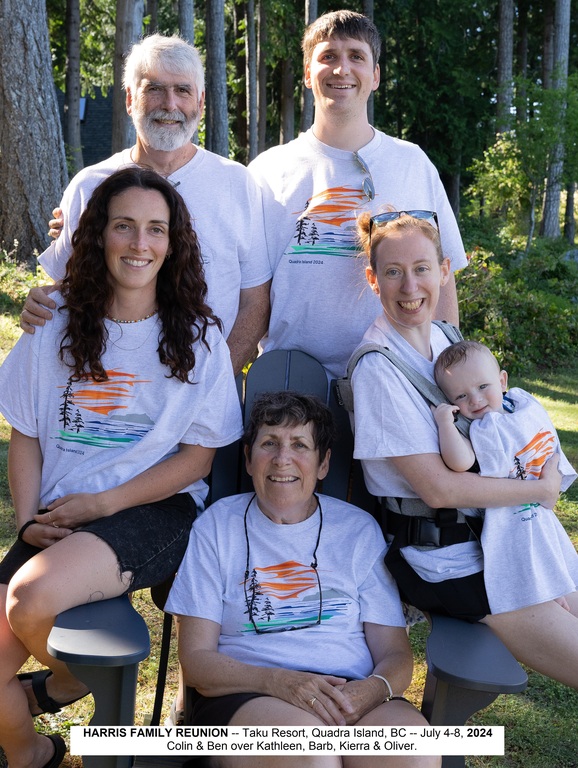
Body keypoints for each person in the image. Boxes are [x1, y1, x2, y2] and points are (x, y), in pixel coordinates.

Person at [0, 167, 244, 768]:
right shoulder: (50, 321)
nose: (140, 244)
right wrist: (28, 517)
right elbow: (25, 435)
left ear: (173, 242)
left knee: (29, 599)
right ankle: (32, 753)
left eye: (156, 229)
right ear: (98, 235)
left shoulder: (198, 338)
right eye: (124, 226)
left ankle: (66, 686)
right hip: (58, 510)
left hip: (151, 509)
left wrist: (104, 504)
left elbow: (198, 460)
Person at [349, 209, 578, 691]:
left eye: (421, 268)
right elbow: (437, 489)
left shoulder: (445, 340)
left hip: (502, 538)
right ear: (373, 280)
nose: (410, 287)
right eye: (393, 272)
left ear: (444, 270)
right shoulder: (377, 368)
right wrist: (540, 488)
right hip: (447, 557)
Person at [165, 391, 440, 768]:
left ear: (323, 463)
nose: (283, 459)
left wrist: (373, 689)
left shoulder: (357, 531)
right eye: (269, 443)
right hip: (249, 693)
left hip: (348, 693)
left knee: (416, 754)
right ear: (248, 459)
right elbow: (196, 662)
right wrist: (281, 682)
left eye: (300, 445)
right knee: (311, 754)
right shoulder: (217, 527)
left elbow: (395, 654)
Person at [21, 33, 271, 376]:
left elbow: (256, 303)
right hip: (107, 386)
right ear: (129, 99)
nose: (169, 104)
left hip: (206, 400)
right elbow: (67, 292)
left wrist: (214, 383)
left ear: (200, 102)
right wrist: (39, 302)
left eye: (182, 90)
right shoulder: (91, 185)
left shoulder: (238, 183)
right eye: (153, 89)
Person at [248, 10, 467, 379]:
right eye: (328, 56)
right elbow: (252, 294)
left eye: (356, 56)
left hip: (398, 376)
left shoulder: (412, 162)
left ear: (375, 76)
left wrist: (449, 372)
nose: (341, 69)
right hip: (293, 384)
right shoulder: (268, 171)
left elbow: (442, 284)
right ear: (306, 73)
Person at [432, 339, 578, 615]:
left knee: (557, 555)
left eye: (482, 387)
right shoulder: (485, 429)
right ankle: (548, 597)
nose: (475, 400)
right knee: (528, 557)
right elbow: (461, 461)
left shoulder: (520, 406)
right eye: (460, 397)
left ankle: (557, 592)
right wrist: (445, 425)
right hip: (512, 515)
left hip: (538, 509)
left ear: (502, 381)